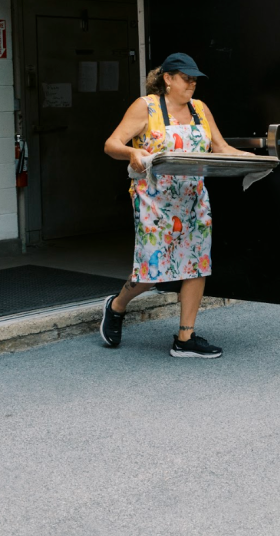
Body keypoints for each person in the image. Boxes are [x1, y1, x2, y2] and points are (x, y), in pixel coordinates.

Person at [99, 52, 252, 358]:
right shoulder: (146, 107)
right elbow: (111, 144)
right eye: (186, 79)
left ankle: (185, 338)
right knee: (154, 268)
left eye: (195, 80)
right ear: (167, 79)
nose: (192, 85)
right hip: (154, 197)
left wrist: (252, 161)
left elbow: (220, 147)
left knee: (197, 263)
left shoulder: (200, 109)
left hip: (193, 198)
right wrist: (131, 154)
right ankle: (116, 306)